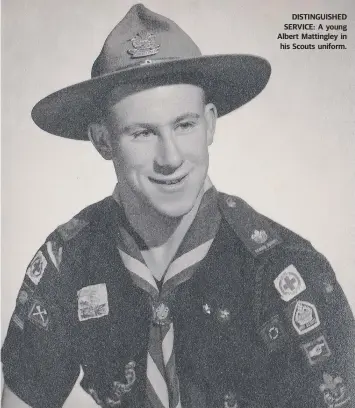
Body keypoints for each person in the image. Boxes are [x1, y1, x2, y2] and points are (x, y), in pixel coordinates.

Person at [2, 4, 354, 408]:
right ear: (102, 141)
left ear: (210, 124)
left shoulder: (282, 272)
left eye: (184, 125)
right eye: (142, 133)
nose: (170, 157)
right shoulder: (70, 259)